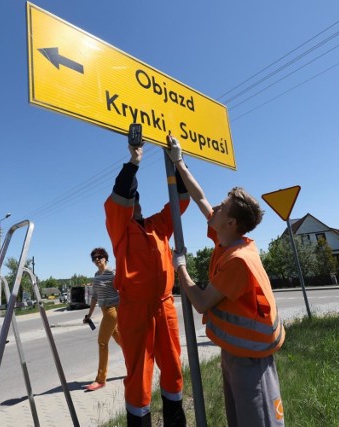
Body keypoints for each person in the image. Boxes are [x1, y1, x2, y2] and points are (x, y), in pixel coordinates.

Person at [168, 136, 286, 426]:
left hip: (251, 357)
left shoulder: (238, 260)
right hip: (237, 351)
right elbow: (200, 198)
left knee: (257, 420)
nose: (215, 209)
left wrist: (180, 267)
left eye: (222, 207)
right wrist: (179, 161)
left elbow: (201, 302)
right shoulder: (228, 240)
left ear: (231, 222)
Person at [104, 141, 189, 427]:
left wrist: (178, 162)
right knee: (139, 374)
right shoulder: (121, 230)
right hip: (136, 309)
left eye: (136, 200)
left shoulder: (158, 225)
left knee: (174, 367)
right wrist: (134, 161)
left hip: (164, 307)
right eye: (131, 201)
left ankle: (175, 422)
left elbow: (181, 200)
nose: (134, 204)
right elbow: (118, 198)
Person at [83, 247, 121, 391]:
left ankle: (100, 379)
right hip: (104, 311)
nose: (96, 260)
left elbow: (122, 290)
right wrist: (89, 315)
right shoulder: (96, 276)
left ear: (105, 257)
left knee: (102, 342)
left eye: (99, 257)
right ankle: (136, 363)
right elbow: (94, 297)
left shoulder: (112, 272)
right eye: (94, 258)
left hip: (113, 309)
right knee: (120, 340)